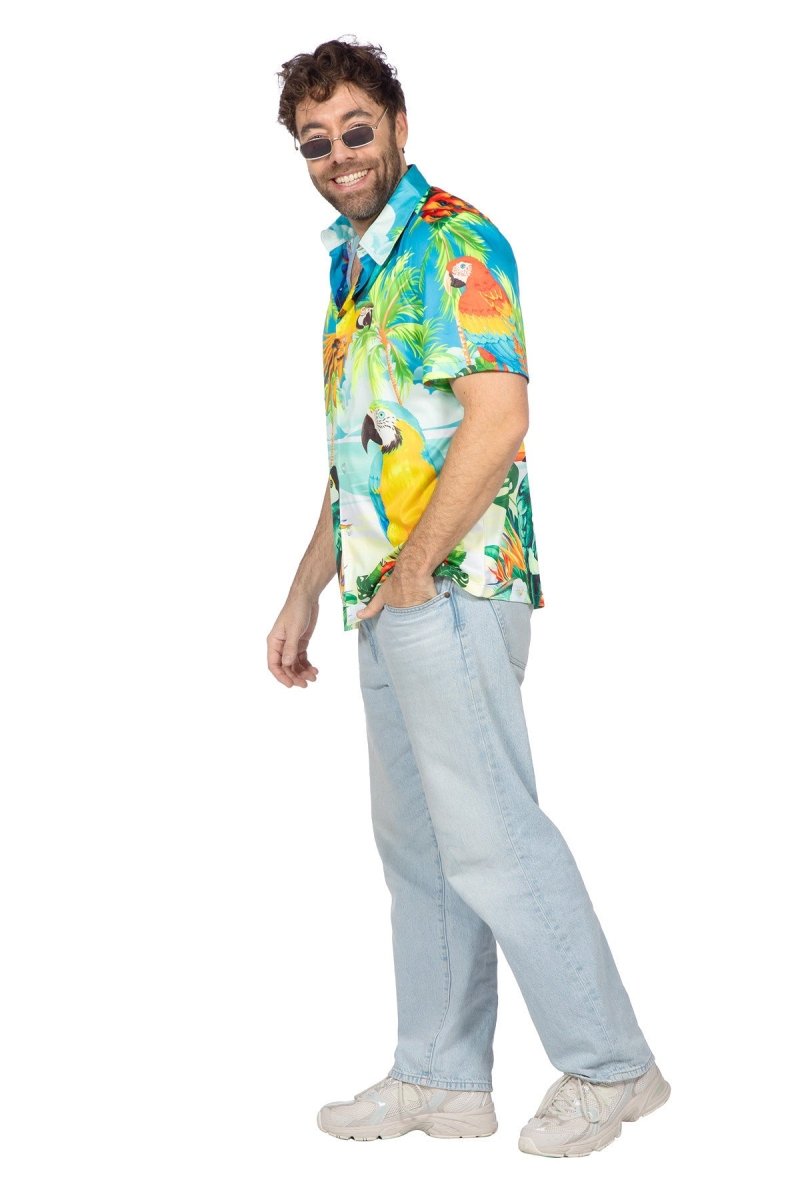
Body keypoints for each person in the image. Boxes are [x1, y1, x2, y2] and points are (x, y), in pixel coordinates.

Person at [267, 36, 670, 1158]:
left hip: (451, 584)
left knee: (490, 832)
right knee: (418, 849)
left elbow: (499, 418)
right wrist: (305, 590)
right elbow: (362, 456)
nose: (339, 155)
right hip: (385, 598)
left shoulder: (454, 243)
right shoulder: (355, 268)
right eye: (315, 142)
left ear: (398, 125)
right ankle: (442, 1077)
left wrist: (412, 570)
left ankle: (612, 1066)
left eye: (356, 129)